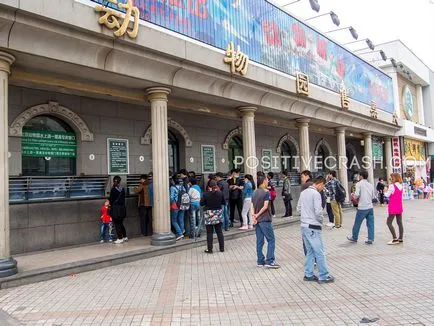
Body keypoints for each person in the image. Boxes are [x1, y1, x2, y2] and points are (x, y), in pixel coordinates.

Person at [297, 176, 334, 283]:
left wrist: (305, 215)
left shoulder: (303, 193)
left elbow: (298, 208)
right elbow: (318, 212)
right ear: (320, 183)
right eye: (323, 186)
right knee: (319, 251)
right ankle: (323, 275)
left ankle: (308, 274)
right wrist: (320, 221)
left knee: (310, 251)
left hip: (304, 225)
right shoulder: (316, 194)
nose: (323, 188)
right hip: (313, 226)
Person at [251, 175, 280, 269]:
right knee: (271, 240)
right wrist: (258, 214)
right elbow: (265, 206)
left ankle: (260, 261)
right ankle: (270, 261)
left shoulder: (254, 192)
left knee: (259, 241)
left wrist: (254, 216)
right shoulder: (266, 192)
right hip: (265, 219)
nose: (268, 181)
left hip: (258, 220)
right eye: (267, 180)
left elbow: (251, 206)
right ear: (264, 181)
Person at [347, 171, 377, 244]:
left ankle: (354, 237)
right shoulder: (370, 185)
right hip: (370, 207)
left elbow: (356, 195)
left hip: (362, 207)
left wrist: (353, 195)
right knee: (370, 224)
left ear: (361, 176)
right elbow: (373, 196)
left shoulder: (358, 184)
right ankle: (370, 239)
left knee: (357, 223)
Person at [201, 180, 225, 253]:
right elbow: (223, 202)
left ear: (209, 187)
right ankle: (222, 248)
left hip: (209, 214)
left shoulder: (206, 194)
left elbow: (201, 203)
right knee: (219, 231)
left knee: (209, 232)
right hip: (218, 213)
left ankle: (210, 249)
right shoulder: (220, 193)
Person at [384, 173, 404, 244]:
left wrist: (385, 190)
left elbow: (387, 195)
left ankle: (395, 238)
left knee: (388, 222)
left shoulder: (392, 186)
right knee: (399, 222)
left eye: (391, 178)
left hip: (393, 206)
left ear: (394, 178)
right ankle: (400, 238)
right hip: (399, 206)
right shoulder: (401, 186)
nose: (390, 179)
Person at [109, 175, 127, 244]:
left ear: (113, 181)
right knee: (121, 223)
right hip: (122, 208)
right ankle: (125, 236)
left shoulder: (113, 189)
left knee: (117, 224)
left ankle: (120, 238)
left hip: (116, 209)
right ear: (120, 181)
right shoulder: (122, 189)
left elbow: (111, 199)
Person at [170, 175, 188, 241]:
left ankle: (179, 234)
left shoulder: (172, 187)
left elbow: (171, 197)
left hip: (175, 205)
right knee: (181, 219)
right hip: (183, 205)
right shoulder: (182, 187)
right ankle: (181, 233)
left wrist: (171, 203)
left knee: (174, 221)